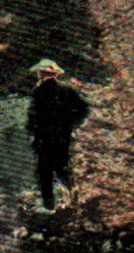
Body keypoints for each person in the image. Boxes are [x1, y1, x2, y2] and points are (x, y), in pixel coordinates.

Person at [25, 58, 89, 212]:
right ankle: (72, 198)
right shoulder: (66, 90)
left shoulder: (38, 91)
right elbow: (83, 109)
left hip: (43, 137)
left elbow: (33, 117)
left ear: (40, 73)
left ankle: (49, 205)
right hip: (62, 135)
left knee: (44, 171)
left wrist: (31, 132)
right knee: (62, 166)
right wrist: (72, 124)